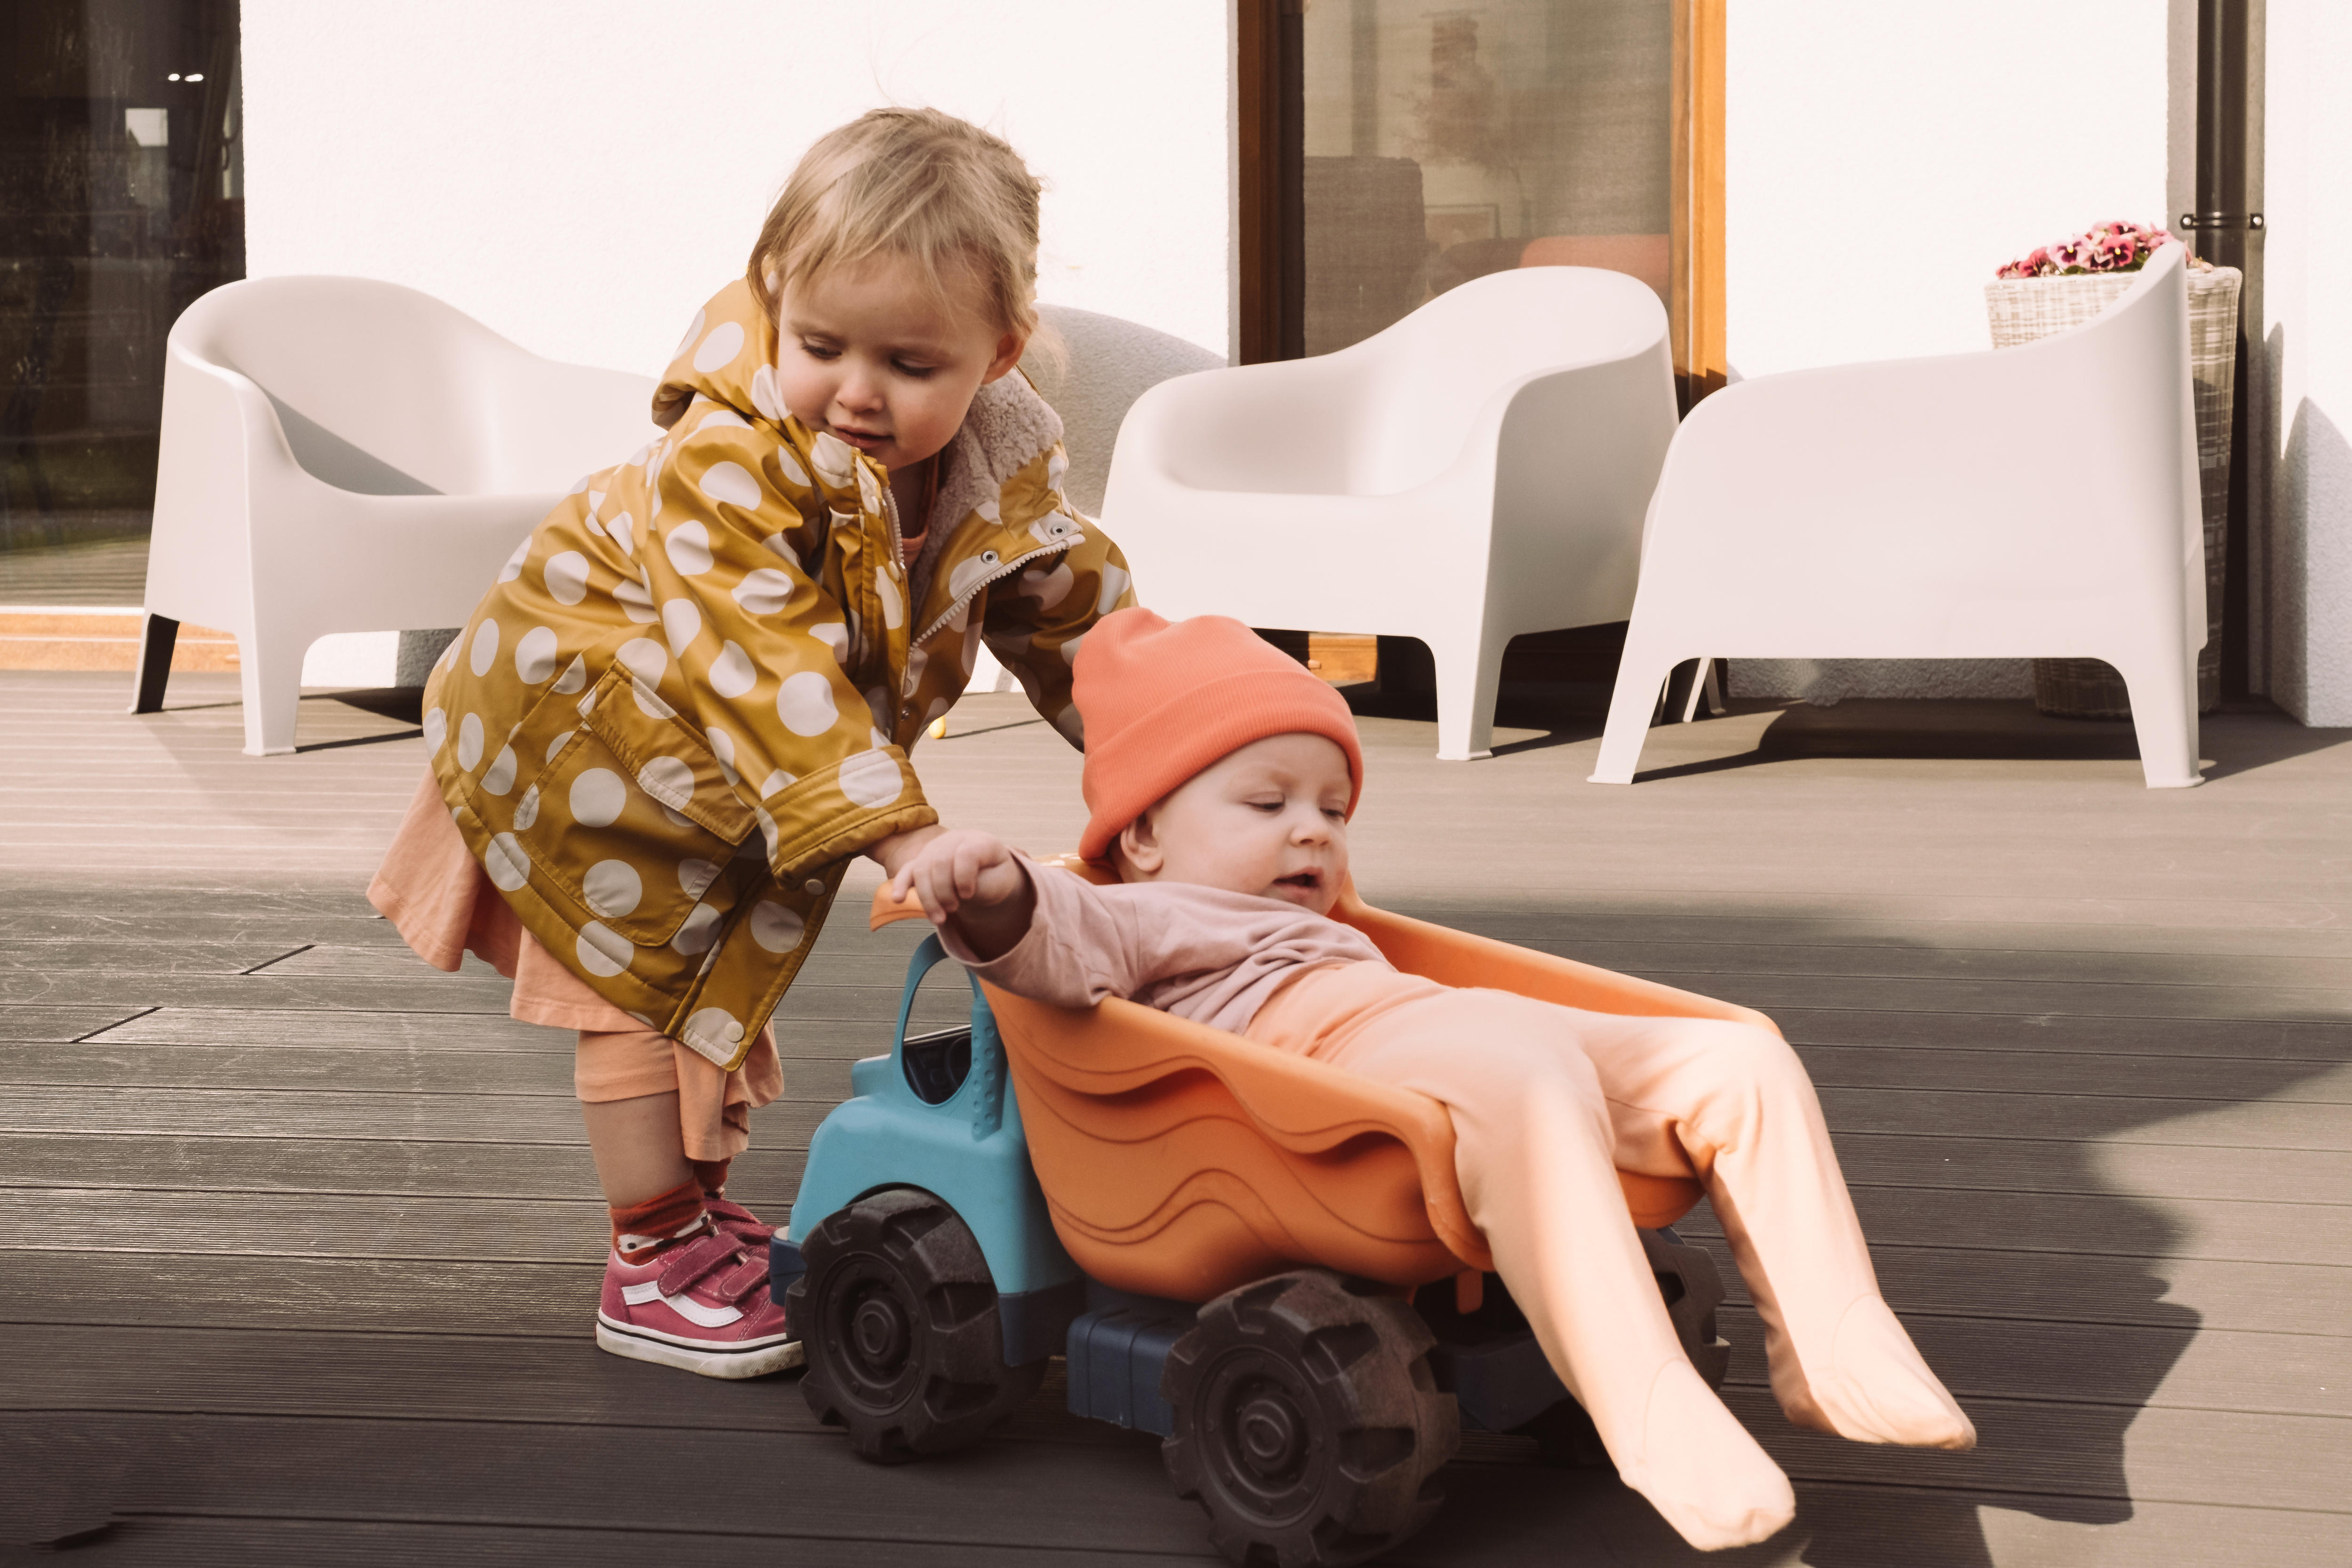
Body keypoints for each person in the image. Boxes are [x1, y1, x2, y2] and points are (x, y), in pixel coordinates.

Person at [886, 608, 1974, 1553]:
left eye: (1331, 806)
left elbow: (1451, 1005)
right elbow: (1043, 938)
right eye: (1265, 803)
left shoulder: (1328, 921)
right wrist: (988, 882)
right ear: (1144, 836)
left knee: (1739, 1054)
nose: (1311, 825)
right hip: (1327, 1080)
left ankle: (1832, 1336)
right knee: (1530, 1074)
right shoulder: (1136, 913)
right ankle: (1645, 1404)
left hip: (1450, 1032)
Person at [368, 108, 1133, 1381]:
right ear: (775, 298)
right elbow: (763, 660)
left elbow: (1074, 618)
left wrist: (1188, 747)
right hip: (581, 732)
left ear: (997, 357)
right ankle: (651, 1254)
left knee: (701, 966)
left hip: (729, 759)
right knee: (629, 977)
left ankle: (696, 1218)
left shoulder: (991, 473)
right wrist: (909, 831)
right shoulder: (724, 462)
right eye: (820, 344)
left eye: (910, 362)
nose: (855, 390)